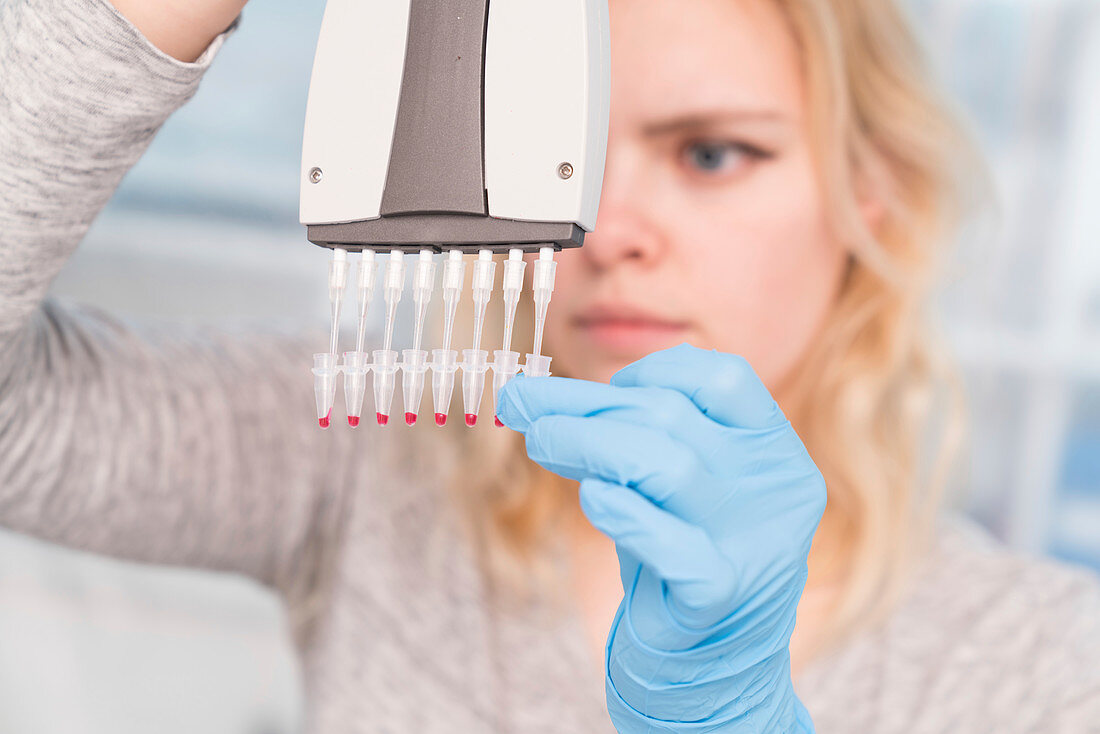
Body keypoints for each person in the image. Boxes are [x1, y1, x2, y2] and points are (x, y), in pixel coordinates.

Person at [1, 0, 1097, 731]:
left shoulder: (1041, 660)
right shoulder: (364, 460)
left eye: (710, 153)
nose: (601, 226)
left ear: (875, 196)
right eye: (549, 147)